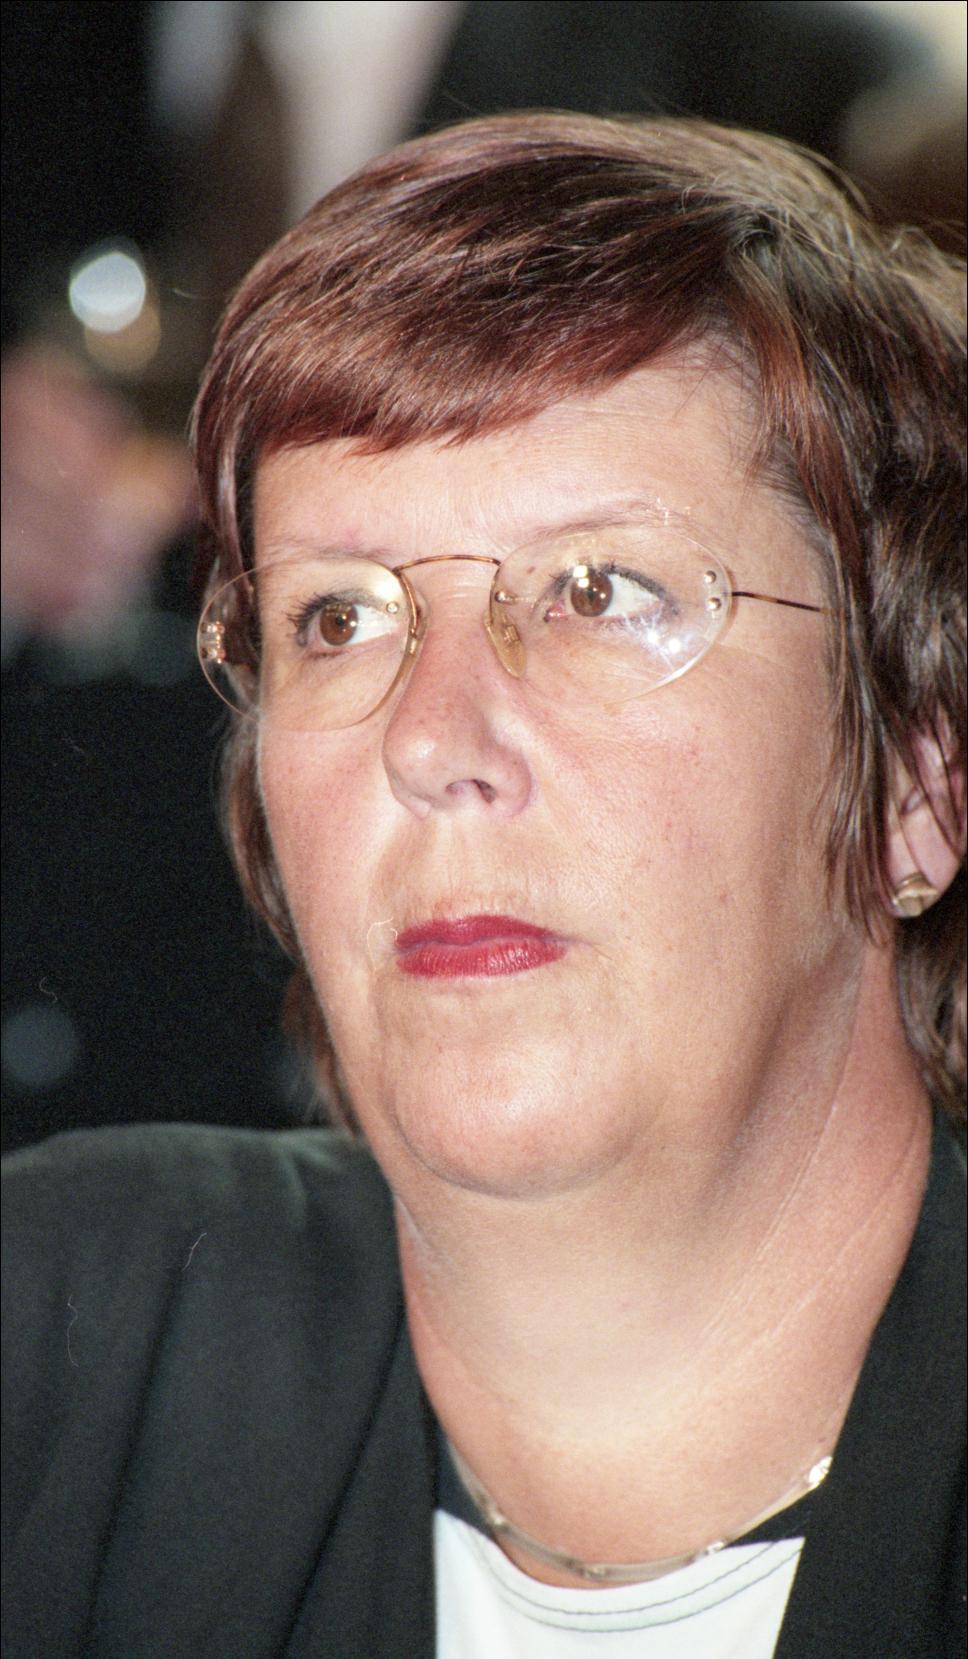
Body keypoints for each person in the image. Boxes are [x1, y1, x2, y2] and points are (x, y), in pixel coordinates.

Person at [3, 112, 964, 1659]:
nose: (431, 739)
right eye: (336, 618)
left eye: (600, 590)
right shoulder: (58, 1357)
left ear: (918, 782)